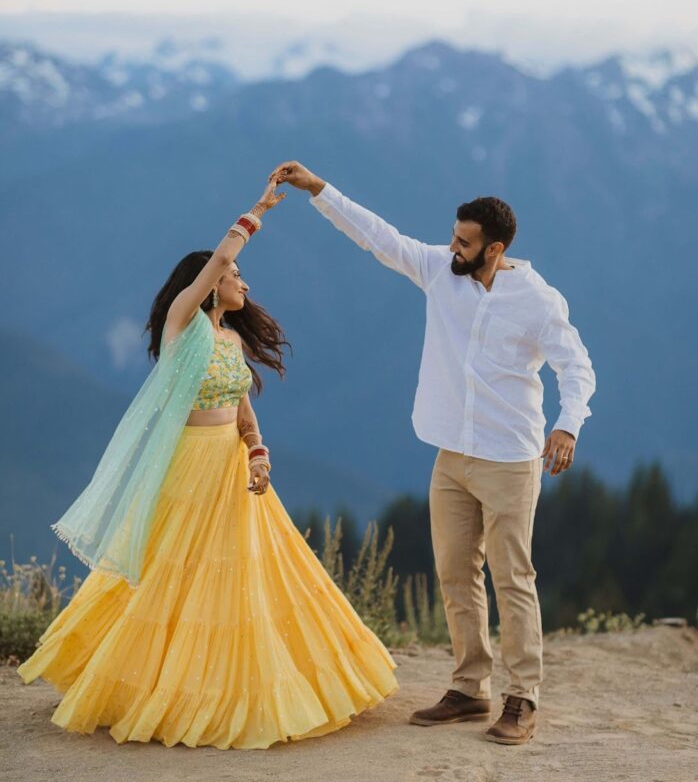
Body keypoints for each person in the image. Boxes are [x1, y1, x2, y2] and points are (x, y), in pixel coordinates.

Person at [16, 172, 398, 749]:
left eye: (239, 274)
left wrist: (259, 455)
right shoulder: (182, 325)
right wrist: (255, 213)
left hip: (232, 470)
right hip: (188, 468)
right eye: (236, 276)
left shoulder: (232, 342)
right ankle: (162, 689)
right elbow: (221, 255)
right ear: (214, 283)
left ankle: (239, 686)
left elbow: (245, 417)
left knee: (248, 580)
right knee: (174, 577)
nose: (243, 282)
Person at [269, 160, 596, 746]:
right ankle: (471, 688)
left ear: (494, 249)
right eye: (453, 234)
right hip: (451, 454)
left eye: (464, 242)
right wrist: (319, 189)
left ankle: (523, 698)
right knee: (454, 574)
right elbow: (379, 237)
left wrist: (568, 425)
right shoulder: (441, 271)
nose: (451, 246)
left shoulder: (539, 301)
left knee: (512, 578)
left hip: (509, 459)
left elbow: (577, 366)